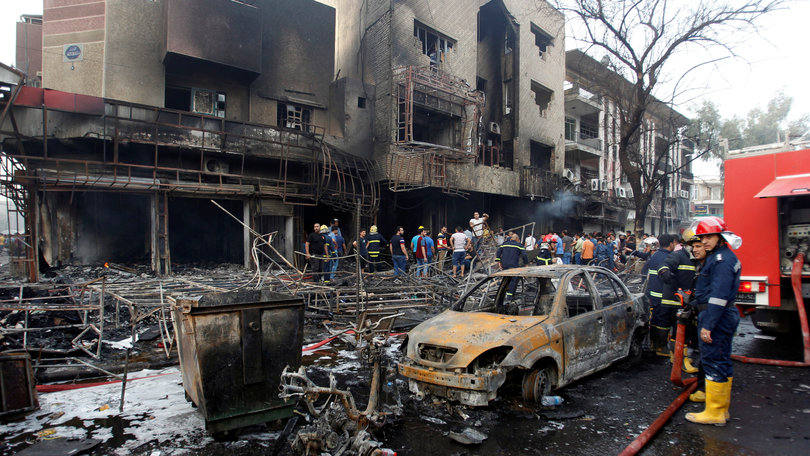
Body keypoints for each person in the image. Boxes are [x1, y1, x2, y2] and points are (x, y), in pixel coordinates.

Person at [685, 216, 742, 426]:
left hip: (716, 315)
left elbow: (718, 296)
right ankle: (719, 408)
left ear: (720, 236)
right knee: (722, 360)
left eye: (709, 236)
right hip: (719, 314)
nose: (705, 241)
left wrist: (708, 325)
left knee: (713, 361)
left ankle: (715, 412)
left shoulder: (721, 261)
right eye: (702, 236)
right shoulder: (720, 256)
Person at [660, 229, 701, 373]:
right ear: (685, 245)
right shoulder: (678, 256)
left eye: (698, 245)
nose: (695, 249)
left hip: (689, 302)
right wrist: (666, 274)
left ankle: (675, 356)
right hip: (675, 302)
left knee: (684, 331)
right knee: (680, 331)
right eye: (693, 245)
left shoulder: (698, 260)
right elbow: (664, 266)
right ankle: (680, 360)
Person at [643, 233, 677, 356]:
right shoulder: (668, 258)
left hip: (653, 294)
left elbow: (645, 272)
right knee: (663, 322)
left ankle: (654, 344)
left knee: (656, 320)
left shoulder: (655, 255)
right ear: (671, 243)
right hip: (663, 296)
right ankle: (660, 347)